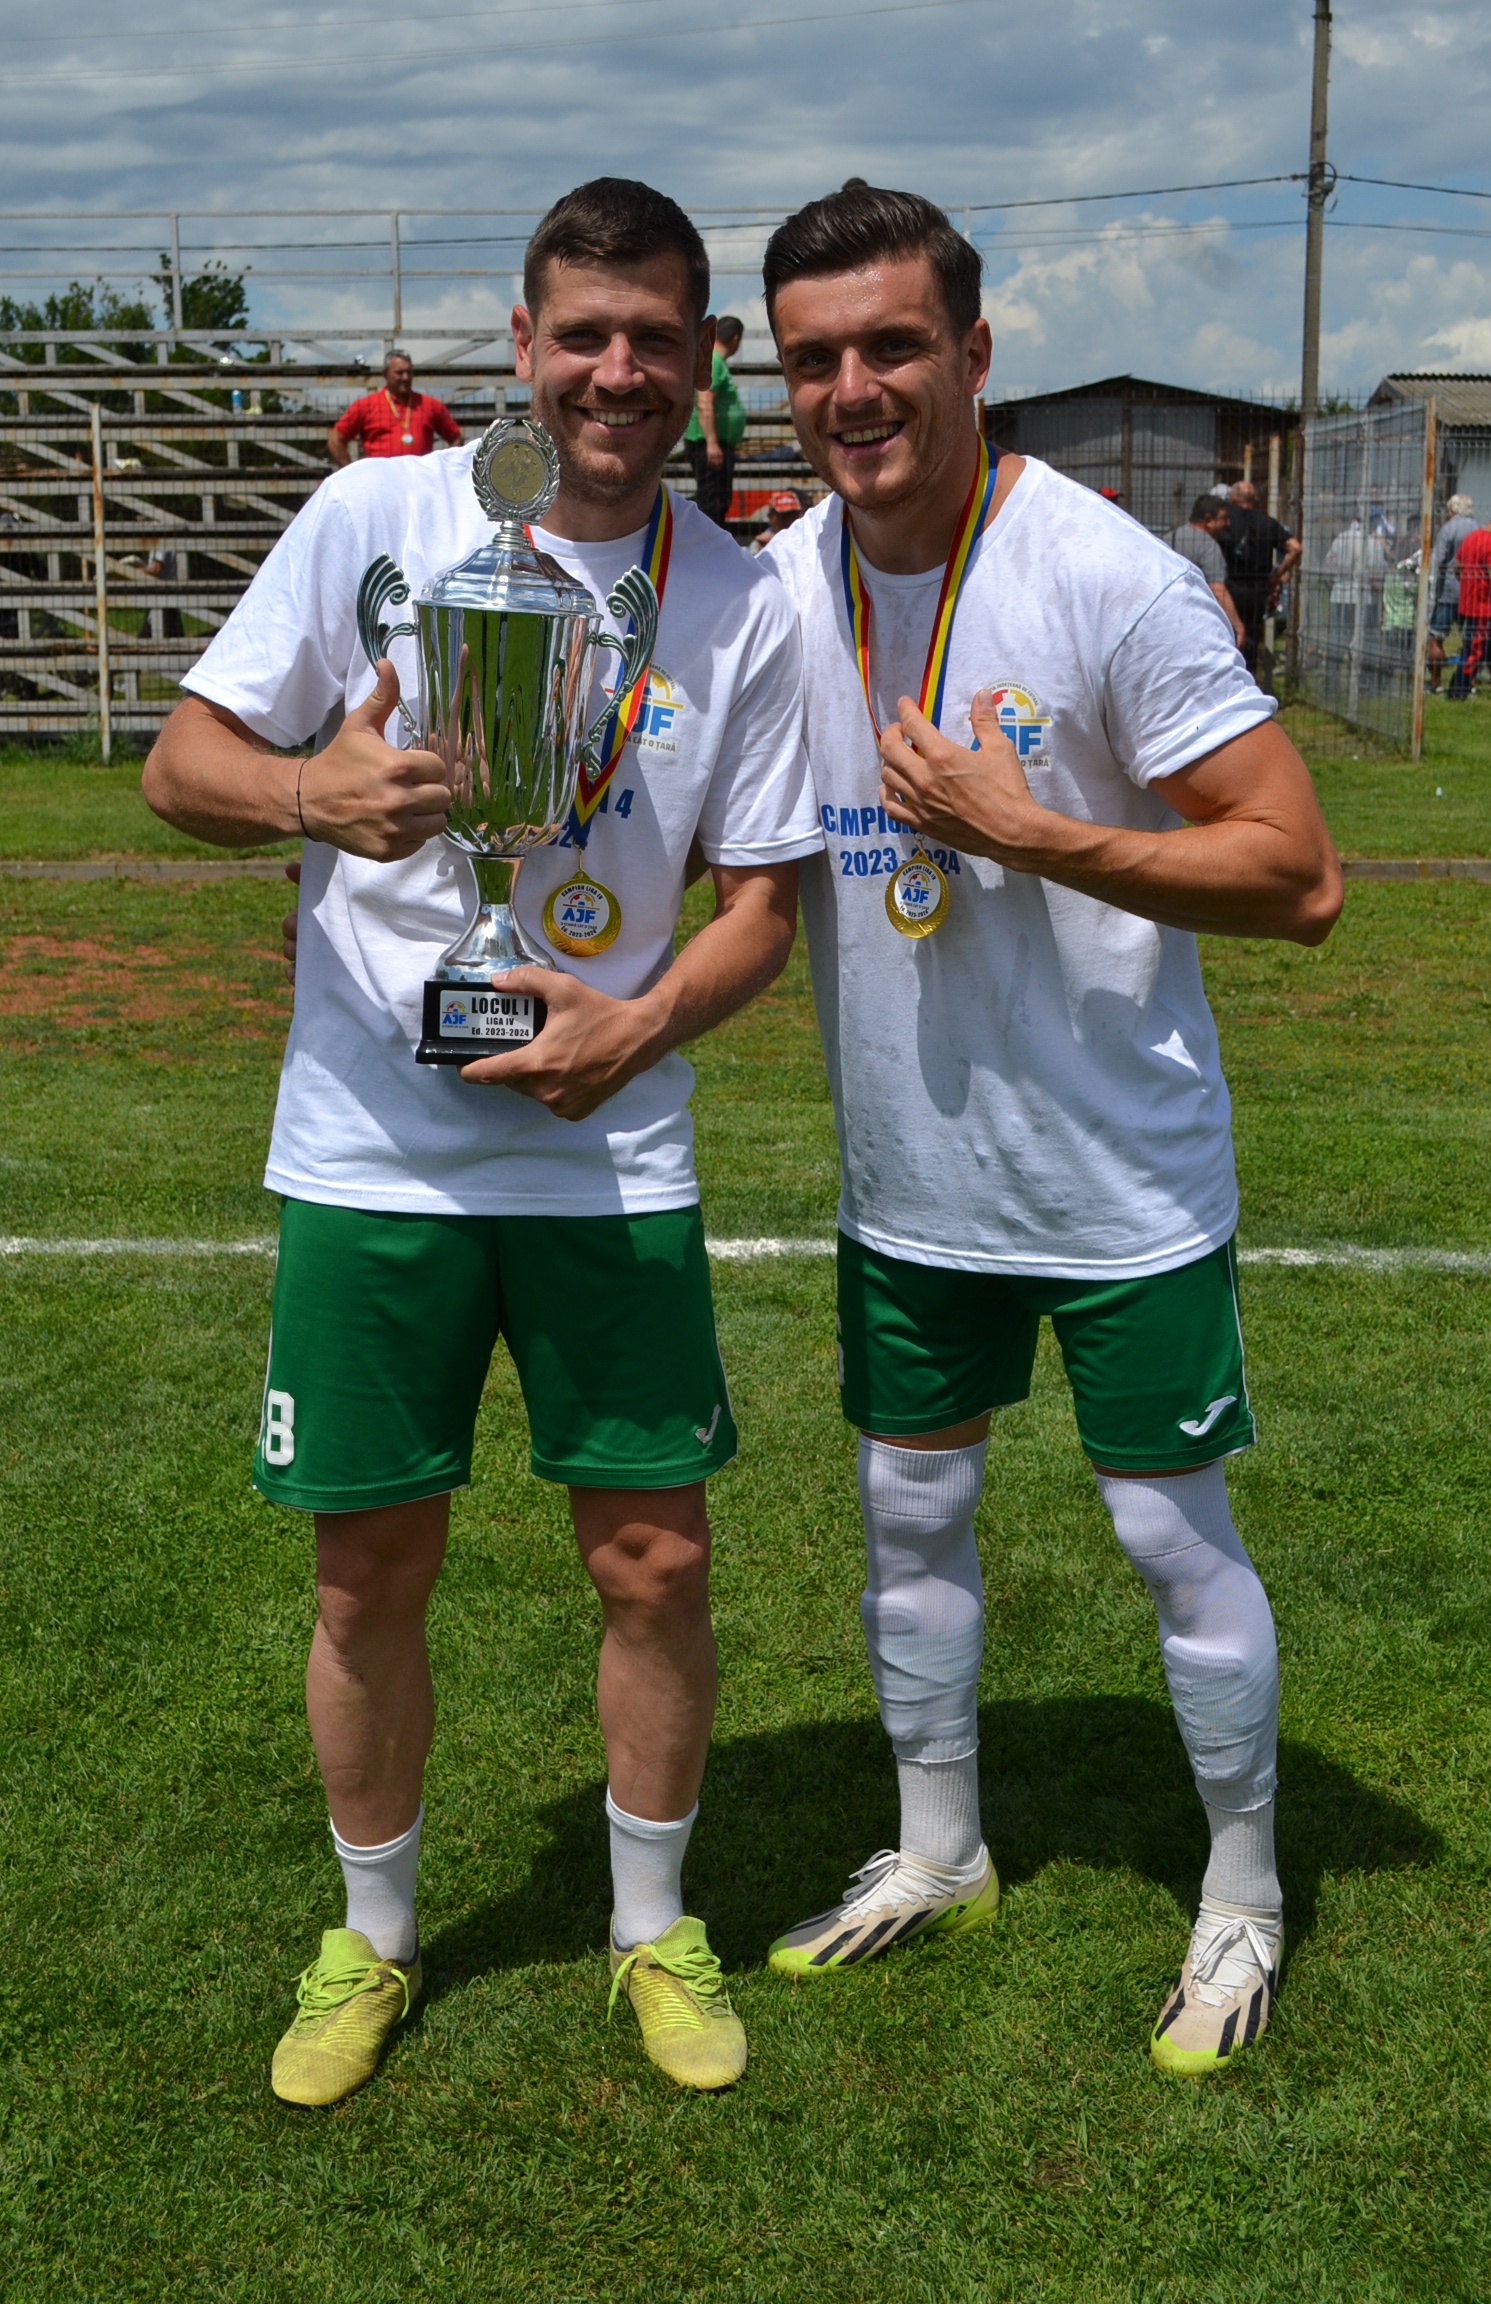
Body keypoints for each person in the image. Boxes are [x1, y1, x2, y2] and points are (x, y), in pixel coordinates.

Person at [142, 176, 823, 2106]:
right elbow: (182, 764)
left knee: (654, 1560)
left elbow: (763, 906)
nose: (617, 369)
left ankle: (647, 1925)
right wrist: (314, 791)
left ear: (705, 361)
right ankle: (373, 1934)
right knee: (367, 1571)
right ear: (519, 344)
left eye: (656, 337)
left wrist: (641, 1021)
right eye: (581, 332)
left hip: (611, 1148)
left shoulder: (744, 598)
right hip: (372, 1149)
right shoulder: (375, 518)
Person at [758, 181, 1342, 2076]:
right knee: (906, 1512)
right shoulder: (781, 584)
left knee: (1169, 1534)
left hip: (1117, 1178)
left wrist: (1036, 834)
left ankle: (1241, 1894)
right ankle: (941, 1848)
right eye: (816, 359)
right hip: (911, 1177)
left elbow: (1299, 871)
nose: (855, 389)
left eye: (893, 346)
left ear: (976, 354)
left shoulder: (1107, 575)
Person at [1223, 479, 1300, 681]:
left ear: (1233, 498)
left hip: (1228, 589)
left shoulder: (1225, 520)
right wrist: (1275, 576)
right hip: (1257, 590)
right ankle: (1248, 682)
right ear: (1255, 499)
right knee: (1251, 639)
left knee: (1225, 636)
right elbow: (1295, 548)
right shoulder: (1267, 522)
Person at [327, 350, 463, 465]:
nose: (405, 377)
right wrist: (352, 474)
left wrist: (445, 469)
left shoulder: (430, 405)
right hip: (381, 482)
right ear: (385, 373)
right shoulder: (365, 405)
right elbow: (335, 441)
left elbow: (456, 438)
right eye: (399, 373)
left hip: (419, 482)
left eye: (409, 372)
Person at [1448, 503, 1491, 700]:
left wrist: (1471, 586)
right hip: (1482, 610)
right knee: (1474, 652)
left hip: (1471, 605)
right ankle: (1458, 691)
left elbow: (1457, 568)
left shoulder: (1472, 538)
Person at [683, 313, 745, 526]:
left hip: (712, 444)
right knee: (713, 501)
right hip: (709, 445)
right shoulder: (715, 362)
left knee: (715, 498)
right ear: (736, 339)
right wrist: (712, 442)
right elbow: (705, 402)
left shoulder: (714, 361)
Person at [1170, 495, 1244, 651]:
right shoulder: (1208, 545)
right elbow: (1217, 589)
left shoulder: (1171, 537)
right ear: (1208, 520)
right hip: (1195, 623)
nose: (1228, 523)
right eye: (1223, 518)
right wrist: (1238, 625)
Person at [1426, 493, 1476, 691]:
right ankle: (1470, 683)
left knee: (1436, 638)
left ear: (1453, 510)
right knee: (1469, 640)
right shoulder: (1477, 528)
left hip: (1447, 592)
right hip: (1470, 592)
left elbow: (1438, 559)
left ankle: (1436, 682)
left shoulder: (1448, 529)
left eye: (1448, 510)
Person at [750, 489, 805, 555]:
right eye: (783, 516)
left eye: (793, 515)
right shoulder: (761, 542)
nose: (788, 520)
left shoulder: (807, 536)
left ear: (800, 515)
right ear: (770, 517)